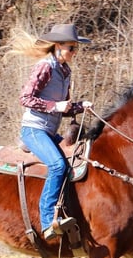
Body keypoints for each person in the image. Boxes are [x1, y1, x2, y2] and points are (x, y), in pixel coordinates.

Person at [5, 23, 93, 240]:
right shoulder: (45, 67)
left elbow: (63, 107)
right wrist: (55, 107)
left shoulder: (65, 71)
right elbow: (25, 98)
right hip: (34, 130)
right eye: (71, 48)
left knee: (77, 160)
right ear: (57, 46)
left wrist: (81, 106)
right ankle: (47, 222)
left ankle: (66, 211)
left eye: (76, 48)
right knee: (57, 165)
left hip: (49, 131)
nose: (74, 52)